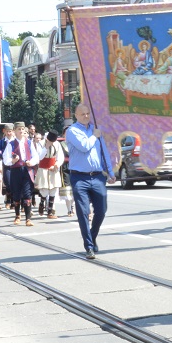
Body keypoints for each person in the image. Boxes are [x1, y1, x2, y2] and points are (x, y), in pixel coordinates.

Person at [64, 104, 116, 259]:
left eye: (88, 114)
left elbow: (104, 153)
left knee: (102, 210)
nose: (86, 116)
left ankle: (92, 237)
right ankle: (88, 247)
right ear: (76, 115)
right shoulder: (72, 131)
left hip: (98, 176)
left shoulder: (95, 129)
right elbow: (85, 146)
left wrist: (111, 173)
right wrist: (95, 135)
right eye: (83, 114)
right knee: (83, 212)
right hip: (80, 177)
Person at [2, 122, 42, 225]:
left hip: (27, 170)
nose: (20, 131)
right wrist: (13, 161)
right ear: (15, 131)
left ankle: (28, 218)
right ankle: (17, 216)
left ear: (24, 130)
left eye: (22, 129)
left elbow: (36, 157)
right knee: (16, 194)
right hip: (15, 171)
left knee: (27, 193)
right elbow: (5, 159)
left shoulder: (29, 143)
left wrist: (31, 162)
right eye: (18, 129)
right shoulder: (11, 144)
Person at [36, 131, 65, 219]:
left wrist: (57, 164)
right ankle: (42, 203)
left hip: (53, 168)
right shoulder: (40, 143)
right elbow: (39, 157)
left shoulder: (57, 144)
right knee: (44, 190)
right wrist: (46, 147)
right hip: (43, 168)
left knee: (53, 189)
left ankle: (50, 211)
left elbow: (61, 157)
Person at [0, 123, 14, 210]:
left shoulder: (15, 141)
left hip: (15, 164)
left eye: (10, 131)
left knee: (15, 184)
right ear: (4, 131)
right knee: (9, 183)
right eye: (7, 131)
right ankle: (8, 199)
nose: (9, 133)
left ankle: (13, 202)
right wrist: (3, 155)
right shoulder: (1, 142)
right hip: (6, 165)